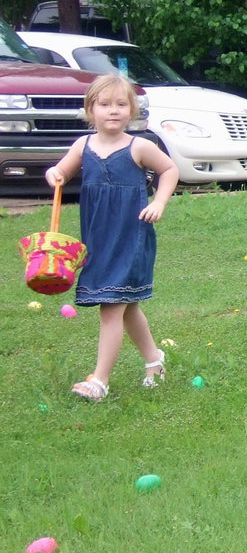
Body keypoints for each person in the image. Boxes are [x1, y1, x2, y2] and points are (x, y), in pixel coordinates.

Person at [43, 74, 180, 400]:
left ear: (131, 110)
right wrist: (55, 173)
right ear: (91, 110)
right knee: (126, 305)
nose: (113, 111)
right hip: (99, 240)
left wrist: (158, 202)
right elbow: (60, 170)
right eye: (105, 104)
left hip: (130, 236)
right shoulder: (83, 146)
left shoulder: (139, 147)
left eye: (121, 104)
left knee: (111, 307)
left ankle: (99, 381)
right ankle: (154, 360)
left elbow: (170, 170)